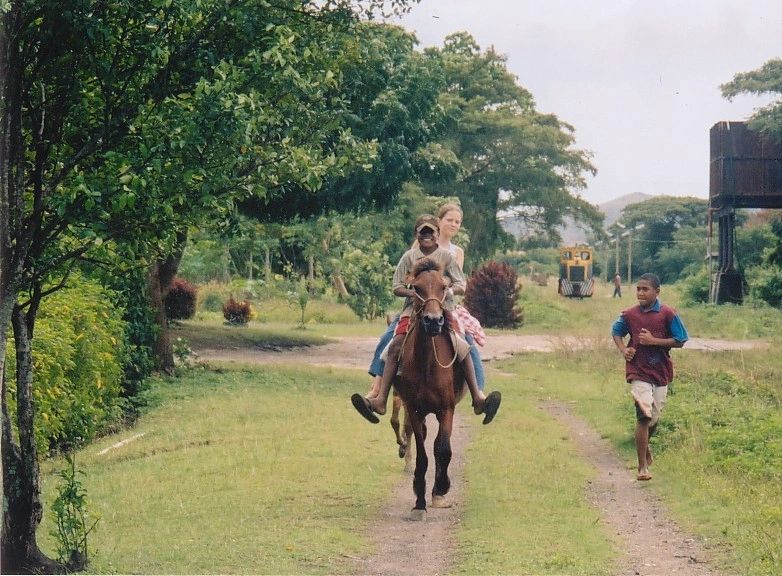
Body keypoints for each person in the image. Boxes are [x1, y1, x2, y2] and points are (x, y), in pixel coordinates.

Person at [352, 214, 501, 425]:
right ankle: (380, 398)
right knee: (391, 341)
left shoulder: (447, 257)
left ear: (436, 234)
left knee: (464, 343)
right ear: (417, 234)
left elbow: (461, 283)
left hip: (444, 307)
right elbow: (396, 287)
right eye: (423, 232)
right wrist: (413, 294)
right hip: (413, 310)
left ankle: (478, 396)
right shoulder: (409, 257)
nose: (427, 236)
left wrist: (448, 290)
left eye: (431, 232)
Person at [611, 273, 688, 481]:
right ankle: (642, 467)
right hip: (638, 371)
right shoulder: (629, 314)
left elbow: (681, 340)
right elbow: (616, 331)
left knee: (654, 418)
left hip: (660, 372)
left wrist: (654, 341)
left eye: (645, 289)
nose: (640, 293)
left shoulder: (668, 314)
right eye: (638, 289)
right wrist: (623, 350)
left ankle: (645, 447)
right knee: (643, 414)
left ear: (657, 292)